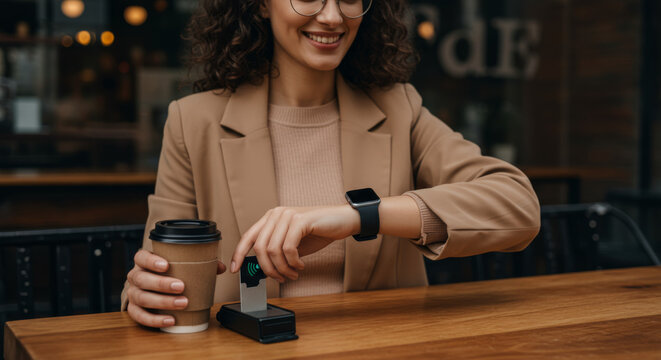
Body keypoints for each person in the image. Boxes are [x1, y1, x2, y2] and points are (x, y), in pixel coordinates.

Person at [121, 0, 540, 328]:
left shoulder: (399, 107)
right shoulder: (192, 121)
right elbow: (155, 274)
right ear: (261, 4)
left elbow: (517, 205)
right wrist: (145, 293)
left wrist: (356, 217)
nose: (332, 16)